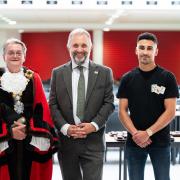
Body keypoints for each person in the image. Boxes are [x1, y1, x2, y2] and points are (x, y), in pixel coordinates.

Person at [49, 28, 114, 180]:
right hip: (67, 143)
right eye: (75, 45)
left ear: (90, 47)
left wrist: (94, 125)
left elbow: (109, 103)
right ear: (68, 47)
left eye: (84, 45)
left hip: (94, 143)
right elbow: (53, 105)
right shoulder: (57, 73)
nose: (80, 50)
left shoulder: (104, 72)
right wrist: (65, 128)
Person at [116, 32, 179, 180]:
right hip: (134, 141)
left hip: (161, 142)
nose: (145, 52)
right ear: (136, 50)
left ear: (156, 51)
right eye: (142, 47)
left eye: (149, 48)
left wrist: (148, 133)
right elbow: (122, 111)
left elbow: (170, 111)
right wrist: (137, 134)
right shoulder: (127, 79)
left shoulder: (167, 77)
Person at [0, 38, 58, 180]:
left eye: (19, 53)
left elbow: (41, 109)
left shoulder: (34, 78)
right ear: (4, 56)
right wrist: (9, 132)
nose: (15, 56)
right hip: (4, 142)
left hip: (29, 139)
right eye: (11, 53)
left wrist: (28, 130)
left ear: (24, 57)